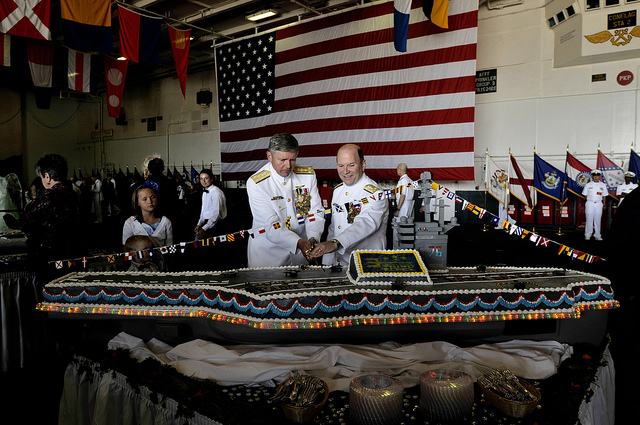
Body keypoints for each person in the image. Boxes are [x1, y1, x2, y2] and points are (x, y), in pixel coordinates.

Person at [246, 133, 325, 267]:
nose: (288, 166)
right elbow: (270, 225)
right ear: (269, 156)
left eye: (292, 159)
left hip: (301, 254)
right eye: (282, 160)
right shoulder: (257, 183)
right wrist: (299, 243)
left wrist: (313, 237)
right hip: (268, 255)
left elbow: (315, 212)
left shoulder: (307, 176)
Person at [309, 144, 388, 264]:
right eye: (341, 166)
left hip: (365, 263)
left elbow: (365, 223)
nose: (345, 171)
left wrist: (335, 244)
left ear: (363, 164)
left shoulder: (375, 194)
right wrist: (327, 261)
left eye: (351, 165)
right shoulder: (338, 190)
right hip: (337, 263)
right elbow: (334, 228)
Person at [18, 154, 81, 266]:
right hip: (75, 254)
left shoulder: (47, 196)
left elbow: (25, 221)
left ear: (47, 176)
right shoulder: (74, 193)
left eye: (41, 177)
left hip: (50, 256)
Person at [122, 183, 173, 247]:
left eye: (153, 197)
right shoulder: (130, 223)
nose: (150, 201)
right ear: (138, 202)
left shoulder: (165, 222)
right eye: (145, 199)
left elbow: (170, 247)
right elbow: (126, 248)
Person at [194, 168, 227, 239]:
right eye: (201, 179)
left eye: (206, 178)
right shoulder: (205, 192)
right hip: (207, 223)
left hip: (216, 225)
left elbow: (216, 214)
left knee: (213, 245)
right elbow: (203, 211)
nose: (203, 181)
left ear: (211, 179)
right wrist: (199, 224)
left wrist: (204, 228)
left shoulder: (216, 192)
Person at [582, 169, 608, 241]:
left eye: (597, 176)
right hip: (590, 203)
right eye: (594, 176)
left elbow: (604, 196)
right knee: (589, 219)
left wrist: (604, 204)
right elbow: (585, 195)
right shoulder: (588, 185)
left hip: (599, 204)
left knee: (598, 220)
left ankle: (597, 235)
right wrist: (590, 200)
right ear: (592, 176)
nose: (596, 177)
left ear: (599, 176)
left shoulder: (603, 185)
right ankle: (588, 234)